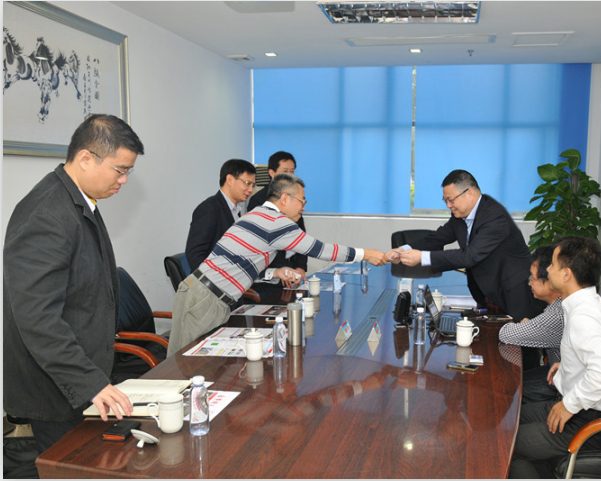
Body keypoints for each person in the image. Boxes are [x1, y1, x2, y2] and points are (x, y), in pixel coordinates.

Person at [3, 114, 144, 453]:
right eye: (120, 170)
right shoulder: (47, 214)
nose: (124, 180)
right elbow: (38, 318)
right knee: (71, 466)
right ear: (85, 158)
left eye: (128, 171)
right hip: (55, 388)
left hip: (79, 377)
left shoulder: (78, 200)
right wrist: (90, 382)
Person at [168, 173, 388, 355]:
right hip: (205, 298)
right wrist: (366, 254)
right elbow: (321, 249)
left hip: (207, 295)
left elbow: (241, 266)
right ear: (285, 198)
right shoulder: (276, 222)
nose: (303, 207)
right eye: (302, 201)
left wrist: (274, 272)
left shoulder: (258, 214)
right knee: (183, 367)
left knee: (195, 365)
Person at [509, 236, 601, 479]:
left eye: (552, 264)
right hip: (576, 406)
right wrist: (570, 364)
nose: (548, 269)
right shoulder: (595, 304)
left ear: (566, 274)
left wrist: (568, 405)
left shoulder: (583, 316)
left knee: (505, 445)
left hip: (585, 422)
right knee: (509, 420)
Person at [385, 169, 545, 321]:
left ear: (469, 194)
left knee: (518, 338)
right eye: (445, 201)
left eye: (451, 200)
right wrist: (402, 249)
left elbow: (470, 256)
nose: (448, 205)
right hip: (487, 291)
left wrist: (422, 257)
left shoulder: (495, 217)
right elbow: (437, 238)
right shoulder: (460, 215)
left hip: (515, 293)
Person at [498, 245, 565, 403]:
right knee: (507, 381)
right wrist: (529, 325)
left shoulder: (557, 314)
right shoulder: (559, 305)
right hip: (555, 373)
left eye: (533, 279)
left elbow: (506, 334)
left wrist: (526, 325)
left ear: (550, 280)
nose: (529, 284)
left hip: (562, 387)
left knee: (504, 390)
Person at [247, 151, 308, 289]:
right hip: (272, 273)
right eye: (285, 171)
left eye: (292, 171)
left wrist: (301, 266)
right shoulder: (259, 200)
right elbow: (264, 242)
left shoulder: (294, 196)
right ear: (272, 173)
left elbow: (301, 235)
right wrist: (281, 268)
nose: (290, 176)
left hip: (292, 267)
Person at [185, 158, 257, 273]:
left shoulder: (235, 210)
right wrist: (215, 281)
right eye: (248, 183)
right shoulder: (209, 208)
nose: (251, 190)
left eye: (253, 185)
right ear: (230, 180)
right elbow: (195, 254)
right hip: (214, 281)